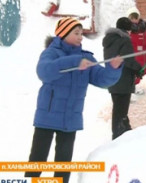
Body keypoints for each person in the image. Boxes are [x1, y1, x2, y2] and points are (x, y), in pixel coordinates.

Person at [25, 17, 123, 183]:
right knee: (37, 159)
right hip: (47, 117)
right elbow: (44, 71)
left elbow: (102, 80)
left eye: (81, 33)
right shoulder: (51, 53)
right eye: (76, 33)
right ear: (63, 34)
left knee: (63, 162)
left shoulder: (86, 58)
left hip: (70, 118)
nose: (80, 37)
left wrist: (113, 68)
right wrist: (75, 62)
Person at [103, 17, 142, 140]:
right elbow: (128, 60)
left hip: (112, 79)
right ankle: (118, 136)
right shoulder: (124, 40)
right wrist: (138, 69)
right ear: (127, 29)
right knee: (121, 110)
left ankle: (125, 130)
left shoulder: (109, 40)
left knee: (118, 108)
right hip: (123, 80)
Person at [127, 7, 146, 87]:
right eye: (132, 18)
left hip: (144, 62)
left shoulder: (145, 31)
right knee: (133, 84)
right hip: (132, 62)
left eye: (136, 18)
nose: (134, 20)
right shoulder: (126, 31)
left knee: (145, 84)